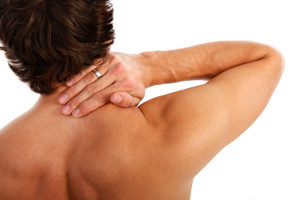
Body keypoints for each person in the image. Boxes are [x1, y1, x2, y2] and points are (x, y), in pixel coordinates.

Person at [0, 0, 284, 199]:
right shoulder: (167, 133)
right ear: (103, 29)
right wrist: (150, 65)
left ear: (11, 46)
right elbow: (265, 59)